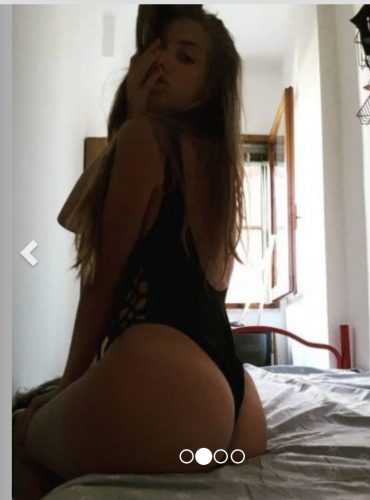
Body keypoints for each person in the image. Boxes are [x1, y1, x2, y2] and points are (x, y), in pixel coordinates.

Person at [14, 5, 267, 499]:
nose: (162, 62)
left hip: (171, 390)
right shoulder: (223, 174)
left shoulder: (146, 138)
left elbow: (101, 283)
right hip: (237, 412)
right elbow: (79, 213)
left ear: (210, 86)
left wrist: (68, 386)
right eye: (159, 49)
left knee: (22, 432)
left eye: (185, 56)